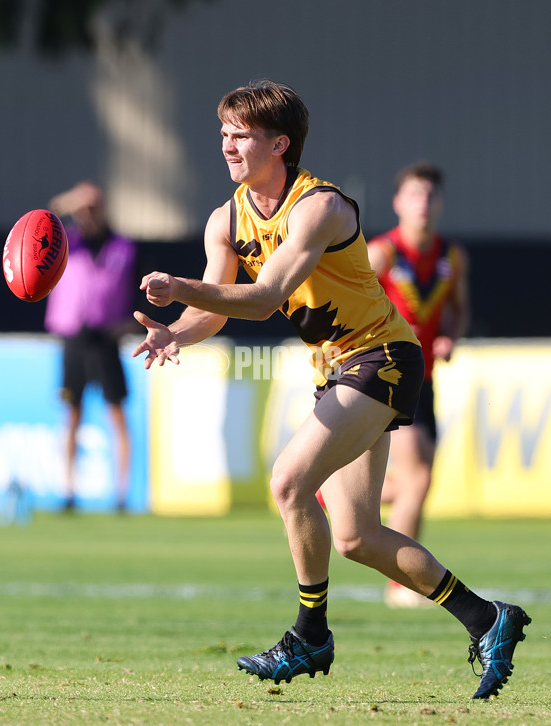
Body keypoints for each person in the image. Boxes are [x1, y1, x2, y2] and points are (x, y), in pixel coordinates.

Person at [131, 80, 530, 699]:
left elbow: (262, 301)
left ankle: (309, 633)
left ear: (280, 144)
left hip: (383, 356)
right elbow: (214, 312)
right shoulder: (225, 219)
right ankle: (487, 617)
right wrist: (177, 333)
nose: (227, 146)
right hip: (337, 367)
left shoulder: (319, 206)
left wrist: (180, 288)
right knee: (354, 537)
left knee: (289, 481)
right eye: (223, 134)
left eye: (241, 135)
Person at [366, 162, 470, 608]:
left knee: (416, 480)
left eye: (429, 196)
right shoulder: (382, 253)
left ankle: (330, 490)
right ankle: (401, 585)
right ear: (398, 203)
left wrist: (452, 336)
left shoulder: (452, 257)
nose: (422, 204)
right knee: (418, 477)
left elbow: (460, 310)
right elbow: (352, 305)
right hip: (388, 375)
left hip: (426, 380)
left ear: (439, 203)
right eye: (414, 195)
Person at [45, 181, 136, 512]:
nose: (87, 214)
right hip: (73, 338)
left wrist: (127, 324)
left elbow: (141, 296)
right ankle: (68, 490)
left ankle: (122, 494)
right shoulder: (66, 243)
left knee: (117, 413)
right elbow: (43, 217)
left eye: (92, 207)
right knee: (72, 413)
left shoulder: (123, 247)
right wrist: (71, 201)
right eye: (81, 209)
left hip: (106, 340)